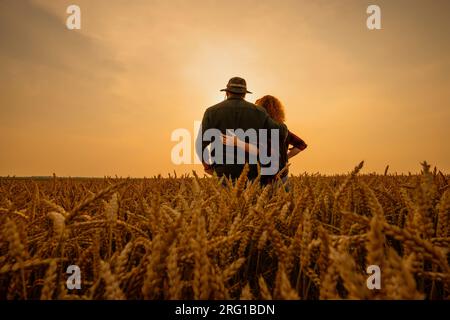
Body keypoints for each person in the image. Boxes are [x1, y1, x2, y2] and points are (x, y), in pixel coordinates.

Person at [196, 77, 288, 182]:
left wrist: (207, 166)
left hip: (223, 171)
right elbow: (281, 132)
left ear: (227, 93)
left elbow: (200, 144)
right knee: (251, 199)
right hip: (252, 172)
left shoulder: (211, 112)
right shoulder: (259, 112)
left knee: (225, 199)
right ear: (244, 94)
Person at [222, 95, 307, 187]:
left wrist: (237, 142)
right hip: (282, 177)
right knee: (285, 201)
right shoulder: (284, 130)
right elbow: (301, 145)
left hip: (265, 179)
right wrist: (285, 158)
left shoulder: (261, 130)